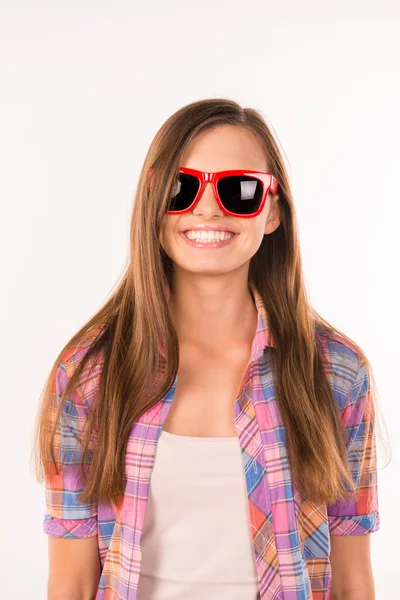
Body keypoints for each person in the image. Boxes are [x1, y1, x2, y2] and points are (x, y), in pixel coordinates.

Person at [33, 98, 384, 600]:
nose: (208, 207)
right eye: (182, 187)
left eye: (239, 190)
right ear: (152, 199)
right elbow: (71, 582)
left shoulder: (336, 372)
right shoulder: (90, 373)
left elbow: (353, 581)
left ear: (272, 211)